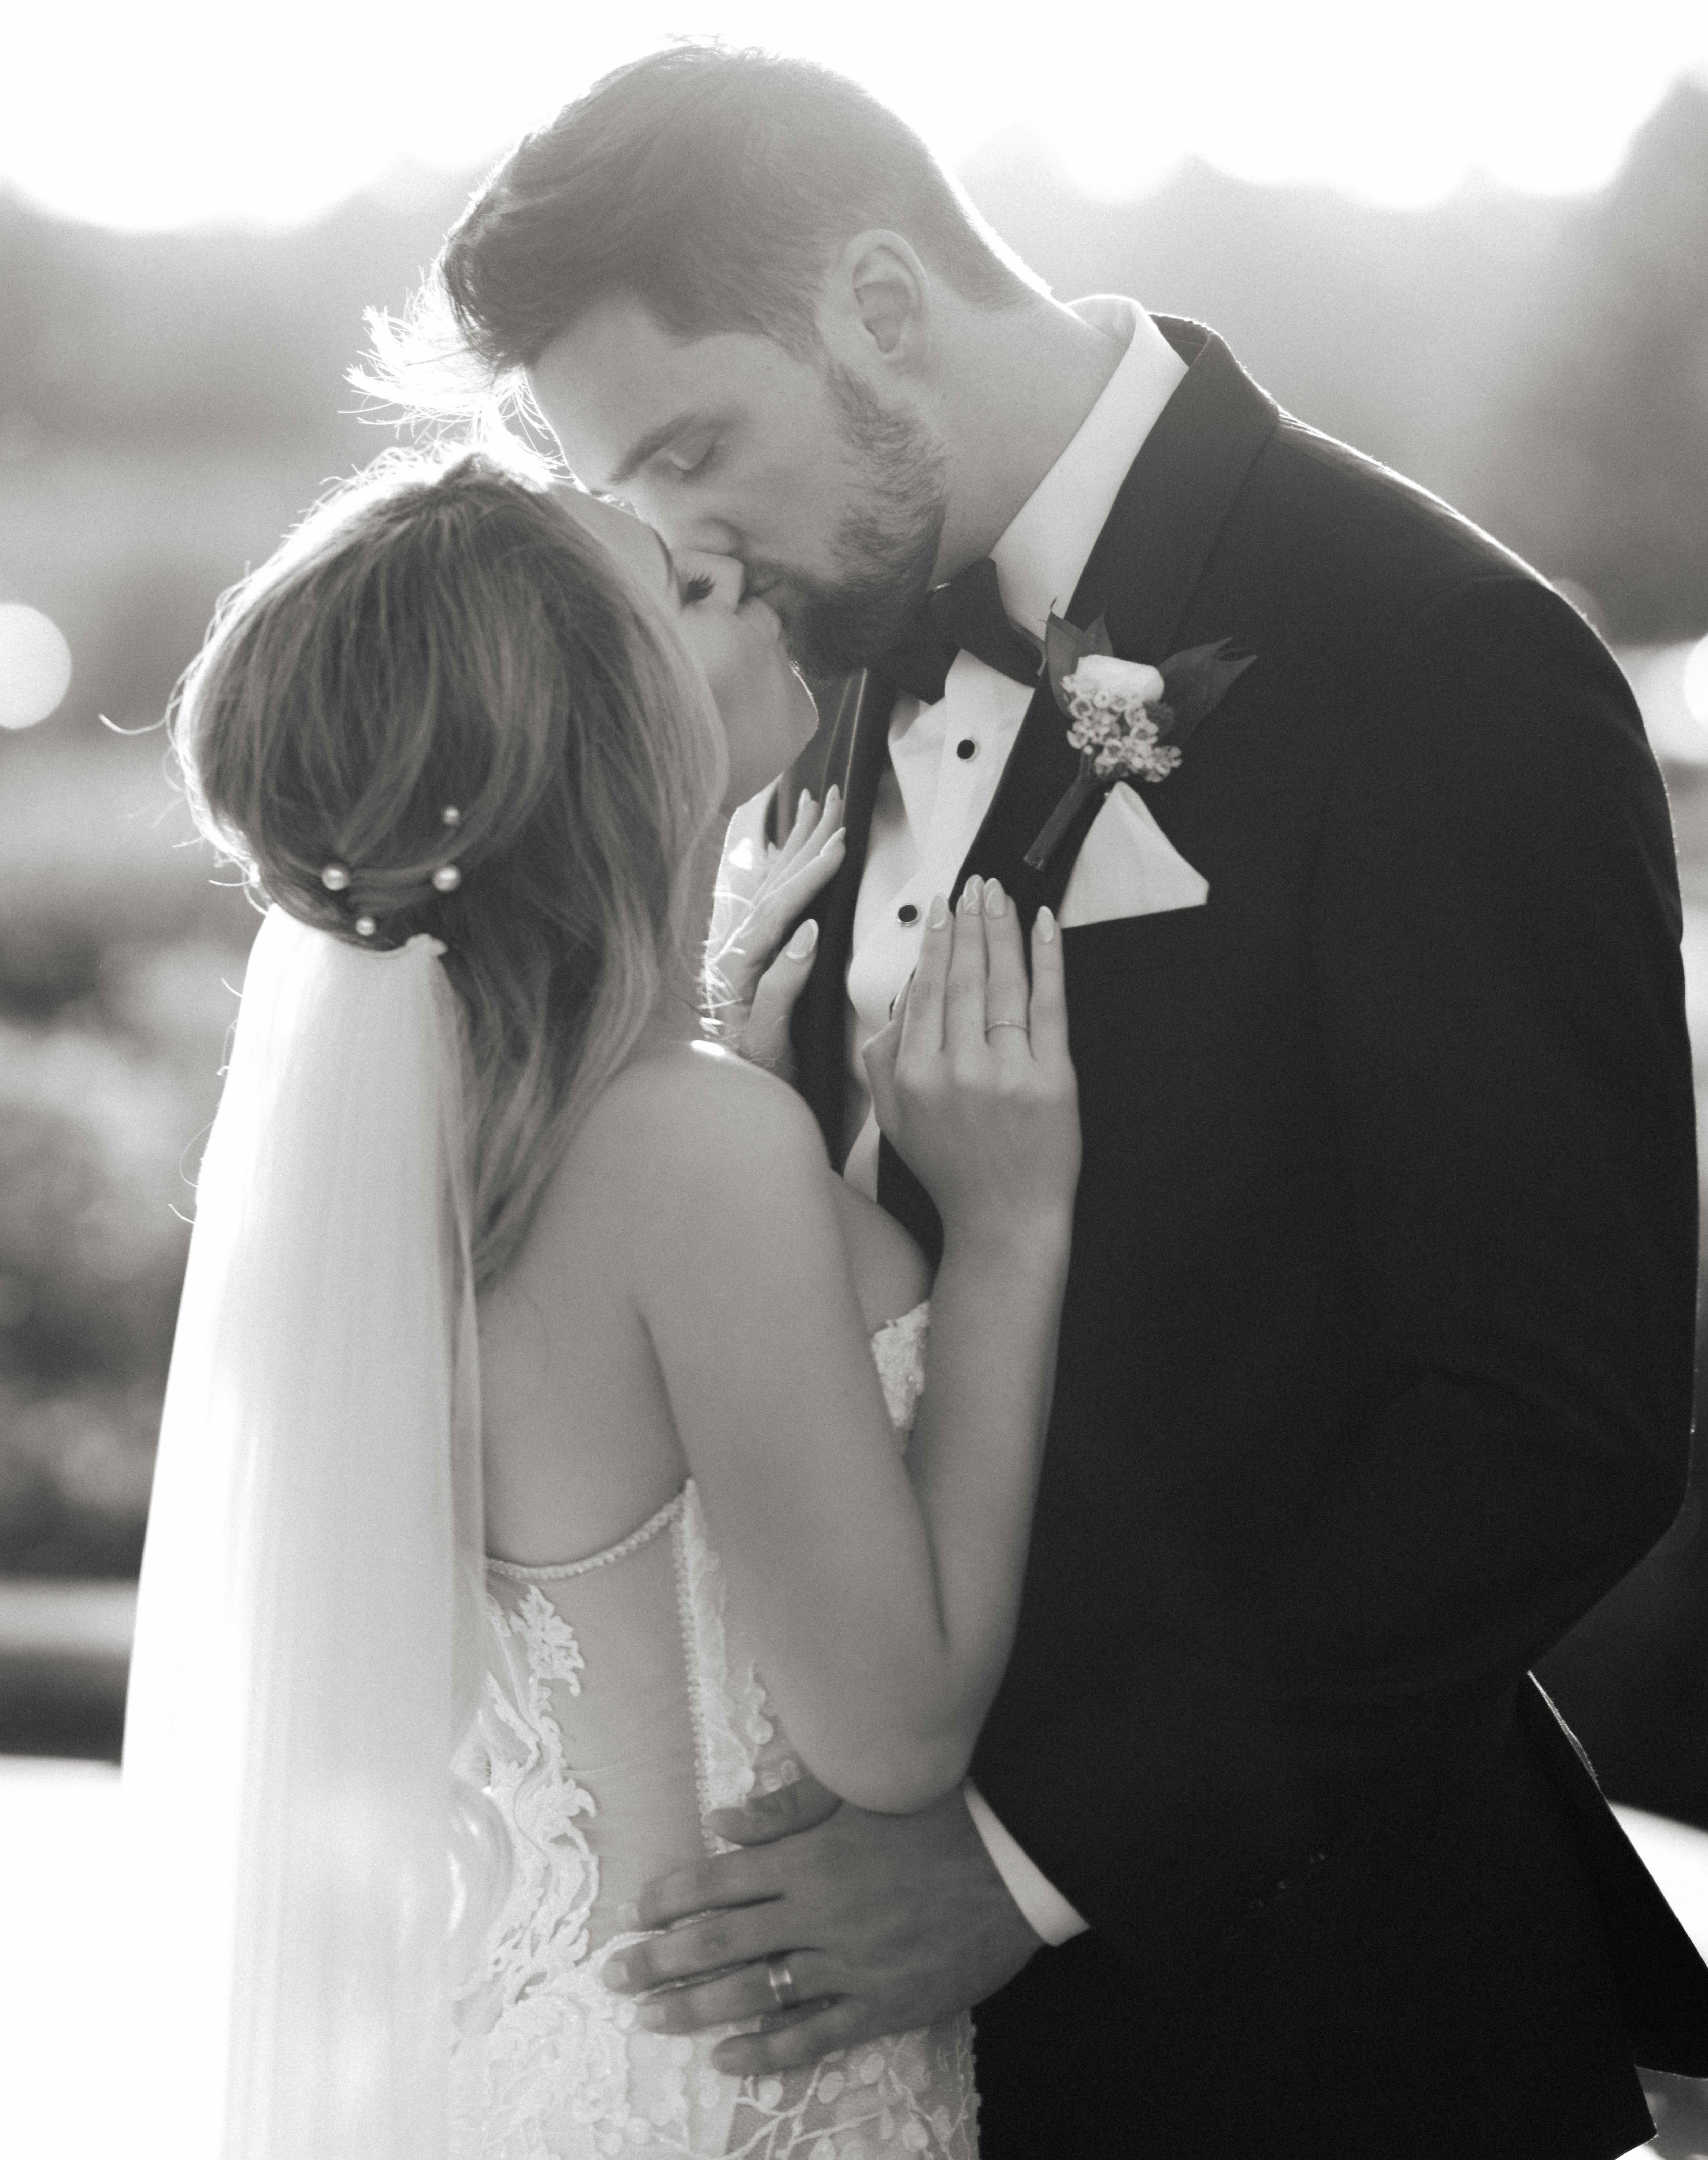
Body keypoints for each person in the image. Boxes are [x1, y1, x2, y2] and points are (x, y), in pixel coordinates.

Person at [423, 42, 1708, 2157]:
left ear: (883, 308)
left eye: (691, 446)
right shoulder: (827, 647)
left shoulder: (1440, 657)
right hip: (873, 2067)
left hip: (1308, 2031)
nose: (685, 543)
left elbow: (1548, 1422)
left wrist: (1023, 1864)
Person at [121, 447, 1082, 2157]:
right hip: (721, 2091)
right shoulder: (690, 1149)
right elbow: (896, 1724)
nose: (755, 583)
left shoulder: (455, 1137)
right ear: (609, 731)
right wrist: (1006, 1226)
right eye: (690, 586)